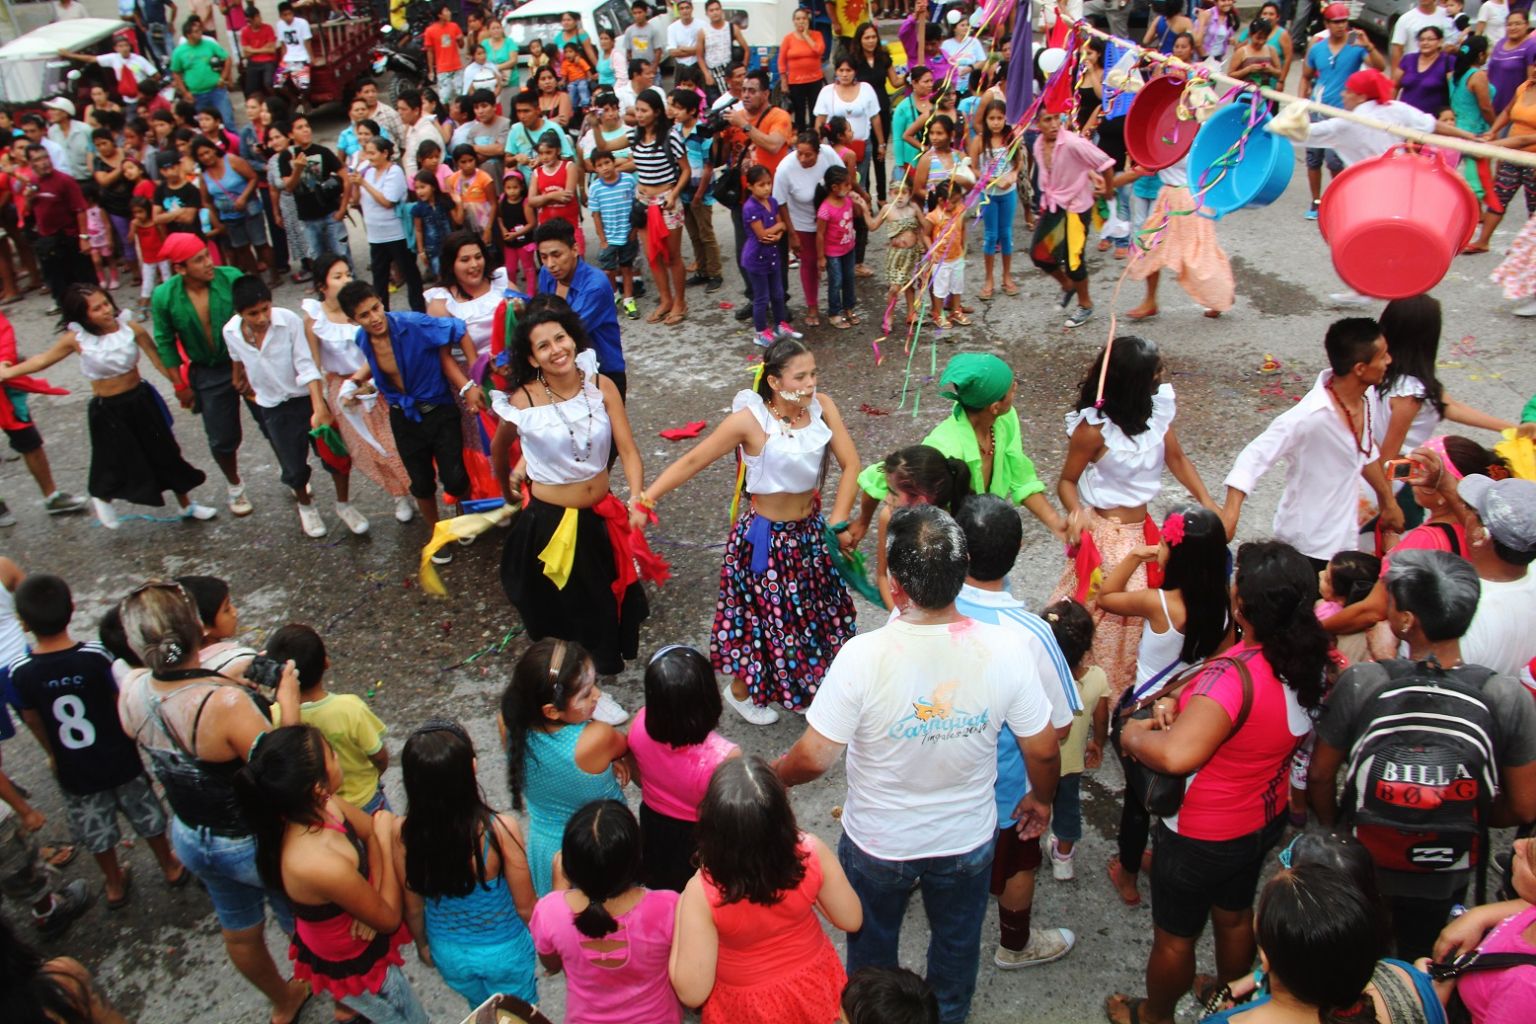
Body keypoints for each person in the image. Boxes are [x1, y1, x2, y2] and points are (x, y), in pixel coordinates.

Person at [775, 504, 1061, 1024]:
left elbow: (815, 757)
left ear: (897, 586)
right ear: (962, 567)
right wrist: (1042, 798)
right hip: (966, 840)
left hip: (879, 842)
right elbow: (1042, 749)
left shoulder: (863, 657)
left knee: (872, 946)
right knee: (955, 947)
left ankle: (869, 1015)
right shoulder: (1008, 649)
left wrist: (776, 778)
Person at [1105, 541, 1329, 1024]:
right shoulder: (1305, 657)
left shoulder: (1234, 676)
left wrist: (1133, 735)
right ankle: (1233, 996)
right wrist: (1184, 702)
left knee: (1174, 936)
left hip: (1202, 831)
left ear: (1244, 606)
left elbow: (1176, 753)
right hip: (1261, 819)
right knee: (1232, 916)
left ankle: (1155, 1015)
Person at [1308, 548, 1536, 961]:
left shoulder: (1366, 681)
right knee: (1425, 949)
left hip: (1365, 856)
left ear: (1406, 620)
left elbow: (1321, 776)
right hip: (1446, 867)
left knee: (1358, 946)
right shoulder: (1503, 696)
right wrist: (1467, 815)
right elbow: (1523, 805)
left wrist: (1334, 826)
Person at [116, 580, 312, 1024]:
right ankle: (331, 985)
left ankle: (283, 1001)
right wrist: (288, 702)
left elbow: (166, 700)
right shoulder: (224, 702)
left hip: (189, 834)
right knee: (299, 918)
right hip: (250, 842)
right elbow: (284, 768)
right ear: (197, 629)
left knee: (240, 933)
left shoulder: (131, 689)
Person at [637, 338, 858, 724]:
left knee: (811, 613)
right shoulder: (750, 421)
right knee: (768, 620)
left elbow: (851, 464)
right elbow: (693, 459)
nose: (810, 384)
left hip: (809, 534)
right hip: (766, 542)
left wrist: (837, 523)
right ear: (774, 381)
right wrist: (646, 500)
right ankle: (742, 692)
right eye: (800, 376)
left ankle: (802, 682)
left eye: (814, 374)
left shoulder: (824, 409)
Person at [488, 298, 660, 694]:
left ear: (573, 339)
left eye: (560, 338)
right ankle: (580, 691)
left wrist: (637, 497)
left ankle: (588, 684)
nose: (556, 350)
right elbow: (499, 450)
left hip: (599, 516)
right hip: (550, 523)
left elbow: (629, 450)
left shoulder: (601, 386)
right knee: (570, 611)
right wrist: (506, 490)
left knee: (603, 603)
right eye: (543, 346)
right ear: (531, 358)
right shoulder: (523, 402)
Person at [948, 494, 1081, 968]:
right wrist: (1043, 799)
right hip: (1006, 793)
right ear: (1020, 547)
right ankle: (1015, 945)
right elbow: (1058, 730)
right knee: (1018, 864)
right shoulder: (1032, 632)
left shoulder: (921, 610)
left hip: (942, 784)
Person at [10, 574, 187, 911]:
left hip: (75, 770)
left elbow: (32, 719)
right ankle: (170, 865)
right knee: (146, 813)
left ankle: (114, 883)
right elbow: (119, 696)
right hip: (119, 757)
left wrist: (52, 753)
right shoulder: (95, 656)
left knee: (95, 830)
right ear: (72, 609)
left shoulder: (22, 671)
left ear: (23, 622)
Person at [1052, 337, 1216, 693]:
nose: (1162, 375)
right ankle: (1096, 692)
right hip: (1105, 535)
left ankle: (1125, 688)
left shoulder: (1156, 411)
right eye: (1155, 371)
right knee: (1110, 610)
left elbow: (1177, 459)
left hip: (1144, 530)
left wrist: (1206, 498)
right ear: (1133, 382)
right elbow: (1066, 481)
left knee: (1142, 610)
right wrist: (1076, 512)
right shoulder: (1092, 429)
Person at [233, 725, 426, 1024]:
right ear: (317, 787)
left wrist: (369, 893)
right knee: (400, 1012)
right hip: (351, 961)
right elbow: (387, 919)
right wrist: (385, 837)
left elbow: (370, 834)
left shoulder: (324, 805)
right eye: (332, 755)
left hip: (354, 921)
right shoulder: (317, 863)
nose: (338, 757)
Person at [0, 285, 212, 528]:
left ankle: (187, 505)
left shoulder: (131, 328)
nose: (106, 311)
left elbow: (158, 360)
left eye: (106, 303)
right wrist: (7, 372)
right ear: (82, 315)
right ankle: (102, 497)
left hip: (141, 400)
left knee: (166, 451)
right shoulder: (76, 339)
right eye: (97, 308)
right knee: (111, 458)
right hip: (108, 408)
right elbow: (42, 361)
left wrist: (180, 387)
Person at [671, 756, 862, 1023]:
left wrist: (682, 906)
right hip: (812, 984)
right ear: (782, 815)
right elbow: (851, 918)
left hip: (745, 1004)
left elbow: (691, 992)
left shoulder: (702, 891)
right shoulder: (810, 851)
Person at [1223, 317, 1405, 568]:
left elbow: (1363, 451)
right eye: (1383, 356)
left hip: (1343, 543)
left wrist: (1388, 502)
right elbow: (1255, 455)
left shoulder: (1366, 398)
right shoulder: (1309, 417)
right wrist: (1231, 514)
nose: (1389, 361)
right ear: (1360, 368)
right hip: (1306, 548)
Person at [393, 718, 537, 1008]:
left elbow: (413, 905)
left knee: (480, 1008)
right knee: (518, 1013)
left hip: (449, 952)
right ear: (472, 768)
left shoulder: (403, 833)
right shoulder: (498, 829)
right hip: (504, 950)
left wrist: (422, 944)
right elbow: (526, 906)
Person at [338, 279, 480, 538]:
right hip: (402, 416)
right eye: (364, 315)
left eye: (375, 308)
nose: (374, 318)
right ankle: (437, 533)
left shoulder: (415, 324)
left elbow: (458, 328)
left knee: (455, 477)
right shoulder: (362, 338)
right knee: (422, 483)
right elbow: (376, 360)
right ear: (352, 321)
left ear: (381, 302)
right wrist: (356, 382)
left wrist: (473, 378)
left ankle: (464, 520)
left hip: (439, 411)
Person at [530, 799, 680, 1024]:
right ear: (636, 858)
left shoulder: (549, 911)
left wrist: (557, 891)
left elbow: (551, 964)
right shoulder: (668, 907)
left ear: (568, 864)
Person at [500, 639, 627, 894]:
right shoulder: (596, 739)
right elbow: (624, 745)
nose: (598, 695)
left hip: (547, 849)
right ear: (551, 711)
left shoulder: (507, 722)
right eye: (586, 693)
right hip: (599, 846)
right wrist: (615, 759)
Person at [151, 233, 263, 515]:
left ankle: (294, 475)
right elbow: (164, 341)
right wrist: (179, 384)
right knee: (222, 438)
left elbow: (254, 322)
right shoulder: (164, 296)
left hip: (247, 364)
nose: (208, 262)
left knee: (272, 421)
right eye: (199, 260)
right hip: (207, 371)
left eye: (207, 254)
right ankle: (234, 486)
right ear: (180, 268)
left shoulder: (231, 277)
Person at [300, 255, 416, 524]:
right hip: (343, 389)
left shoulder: (362, 310)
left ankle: (413, 489)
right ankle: (399, 495)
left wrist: (372, 381)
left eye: (347, 274)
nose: (345, 281)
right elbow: (312, 365)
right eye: (337, 276)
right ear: (322, 286)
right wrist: (320, 405)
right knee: (370, 447)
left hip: (376, 380)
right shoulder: (315, 318)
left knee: (393, 440)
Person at [224, 275, 341, 538]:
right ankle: (306, 506)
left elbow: (305, 362)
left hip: (303, 399)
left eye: (265, 308)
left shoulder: (287, 321)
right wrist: (237, 376)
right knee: (293, 465)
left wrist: (318, 405)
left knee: (332, 454)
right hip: (271, 406)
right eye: (253, 313)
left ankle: (344, 503)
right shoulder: (230, 332)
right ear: (240, 313)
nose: (262, 317)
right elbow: (236, 357)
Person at [628, 645, 740, 891]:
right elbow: (729, 813)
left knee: (664, 884)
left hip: (655, 824)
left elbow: (638, 775)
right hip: (701, 835)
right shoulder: (724, 756)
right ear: (709, 697)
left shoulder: (638, 724)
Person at [266, 623, 389, 814]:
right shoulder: (350, 708)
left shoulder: (275, 716)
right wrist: (376, 776)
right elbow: (379, 756)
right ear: (326, 663)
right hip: (366, 800)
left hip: (323, 808)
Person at [1040, 599, 1109, 886]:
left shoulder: (1034, 678)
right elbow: (1101, 718)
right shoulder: (1097, 679)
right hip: (1070, 764)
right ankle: (1064, 860)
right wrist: (1098, 744)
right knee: (1068, 809)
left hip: (1034, 762)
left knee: (1031, 804)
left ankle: (1024, 850)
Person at [1430, 835, 1536, 1021]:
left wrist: (1430, 1004)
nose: (1518, 844)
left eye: (1531, 855)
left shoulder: (1525, 988)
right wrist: (1478, 916)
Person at [1300, 6, 1386, 219]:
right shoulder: (1318, 48)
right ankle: (1316, 201)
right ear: (1327, 24)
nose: (1341, 26)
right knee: (1313, 158)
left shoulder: (1356, 45)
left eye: (1344, 21)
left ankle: (1339, 200)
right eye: (1336, 22)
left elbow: (1379, 67)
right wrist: (1301, 103)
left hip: (1343, 113)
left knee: (1336, 160)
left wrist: (1370, 46)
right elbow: (1306, 75)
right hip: (1317, 109)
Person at [724, 69, 793, 320]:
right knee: (746, 252)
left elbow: (774, 144)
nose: (746, 95)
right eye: (743, 90)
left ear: (765, 93)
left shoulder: (779, 116)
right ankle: (756, 299)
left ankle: (780, 301)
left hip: (771, 199)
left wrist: (743, 125)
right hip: (742, 198)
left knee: (776, 251)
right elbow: (724, 155)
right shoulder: (734, 116)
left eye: (752, 90)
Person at [773, 132, 842, 327]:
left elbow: (844, 175)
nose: (802, 159)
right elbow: (780, 202)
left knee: (836, 262)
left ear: (818, 152)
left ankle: (840, 305)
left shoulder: (828, 154)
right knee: (809, 263)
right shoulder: (785, 169)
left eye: (808, 155)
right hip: (802, 221)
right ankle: (812, 306)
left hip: (831, 219)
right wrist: (792, 234)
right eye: (799, 153)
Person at [350, 138, 425, 314]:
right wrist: (355, 183)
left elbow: (387, 201)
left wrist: (364, 184)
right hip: (375, 235)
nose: (369, 157)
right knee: (379, 277)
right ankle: (383, 313)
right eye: (367, 153)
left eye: (372, 153)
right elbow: (355, 200)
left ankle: (419, 311)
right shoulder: (367, 173)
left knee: (410, 273)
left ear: (385, 153)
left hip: (396, 234)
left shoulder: (394, 172)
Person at [24, 145, 97, 310]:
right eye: (37, 159)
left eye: (45, 157)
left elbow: (80, 210)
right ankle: (67, 311)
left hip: (69, 237)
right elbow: (28, 211)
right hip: (48, 240)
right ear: (30, 164)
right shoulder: (33, 183)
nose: (43, 163)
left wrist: (84, 238)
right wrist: (28, 199)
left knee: (84, 281)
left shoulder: (65, 180)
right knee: (58, 281)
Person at [192, 138, 272, 277]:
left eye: (207, 152)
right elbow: (206, 201)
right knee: (241, 248)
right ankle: (254, 277)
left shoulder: (232, 161)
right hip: (228, 216)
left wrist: (243, 197)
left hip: (249, 209)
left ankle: (274, 275)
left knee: (260, 244)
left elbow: (253, 178)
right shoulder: (204, 176)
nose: (206, 157)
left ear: (214, 150)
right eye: (201, 155)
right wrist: (216, 222)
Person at [669, 89, 723, 293]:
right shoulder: (675, 131)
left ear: (692, 111)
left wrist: (699, 195)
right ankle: (702, 270)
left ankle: (715, 273)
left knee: (706, 234)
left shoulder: (703, 132)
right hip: (684, 192)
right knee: (694, 234)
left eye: (679, 108)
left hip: (702, 193)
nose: (675, 112)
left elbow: (709, 166)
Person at [278, 114, 350, 262]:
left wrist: (342, 208)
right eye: (300, 128)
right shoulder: (286, 156)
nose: (306, 130)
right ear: (291, 134)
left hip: (331, 213)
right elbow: (289, 187)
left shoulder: (323, 152)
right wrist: (297, 169)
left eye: (307, 126)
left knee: (342, 255)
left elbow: (346, 178)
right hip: (308, 218)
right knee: (318, 260)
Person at [739, 164, 795, 345]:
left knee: (778, 293)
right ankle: (760, 332)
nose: (766, 188)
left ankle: (781, 325)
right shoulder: (750, 208)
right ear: (750, 186)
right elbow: (762, 235)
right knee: (761, 297)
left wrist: (778, 233)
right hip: (756, 258)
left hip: (772, 254)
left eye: (768, 183)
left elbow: (781, 226)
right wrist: (778, 229)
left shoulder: (772, 202)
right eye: (761, 184)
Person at [587, 149, 639, 319]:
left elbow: (637, 206)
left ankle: (629, 300)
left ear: (614, 162)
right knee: (608, 271)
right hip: (609, 237)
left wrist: (634, 230)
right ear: (595, 169)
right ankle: (615, 294)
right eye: (600, 165)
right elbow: (596, 215)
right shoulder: (595, 188)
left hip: (628, 234)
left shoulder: (628, 180)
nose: (605, 168)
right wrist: (602, 239)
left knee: (627, 267)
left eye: (607, 162)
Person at [817, 165, 867, 329]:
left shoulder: (847, 201)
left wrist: (859, 202)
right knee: (836, 281)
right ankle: (834, 312)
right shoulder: (825, 210)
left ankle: (849, 308)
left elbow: (858, 215)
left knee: (849, 278)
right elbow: (820, 234)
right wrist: (821, 257)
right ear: (834, 187)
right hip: (833, 253)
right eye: (846, 185)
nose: (850, 187)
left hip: (848, 248)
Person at [171, 16, 236, 129]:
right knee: (205, 126)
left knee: (227, 121)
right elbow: (176, 73)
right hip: (197, 95)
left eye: (200, 30)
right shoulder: (179, 52)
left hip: (217, 91)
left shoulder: (209, 44)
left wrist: (223, 78)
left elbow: (227, 59)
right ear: (188, 35)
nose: (200, 33)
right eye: (196, 31)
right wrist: (185, 92)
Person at [780, 8, 827, 132]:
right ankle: (801, 138)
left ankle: (815, 136)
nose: (801, 21)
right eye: (798, 19)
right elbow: (782, 61)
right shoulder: (788, 39)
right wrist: (784, 81)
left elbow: (819, 51)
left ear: (808, 20)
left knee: (815, 111)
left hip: (815, 79)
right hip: (796, 82)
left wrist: (806, 36)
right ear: (793, 21)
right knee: (799, 112)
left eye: (804, 18)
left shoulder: (817, 35)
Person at [1396, 26, 1455, 114]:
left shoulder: (1448, 61)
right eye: (1421, 40)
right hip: (1404, 116)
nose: (1425, 43)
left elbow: (1454, 93)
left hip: (1432, 119)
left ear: (1440, 42)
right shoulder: (1408, 59)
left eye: (1430, 39)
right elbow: (1393, 86)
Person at [1391, 0, 1457, 67]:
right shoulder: (1405, 19)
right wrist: (1395, 74)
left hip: (1439, 71)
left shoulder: (1448, 15)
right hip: (1412, 70)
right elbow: (1397, 49)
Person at [424, 4, 465, 105]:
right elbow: (430, 52)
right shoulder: (430, 31)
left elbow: (461, 46)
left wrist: (460, 39)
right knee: (444, 98)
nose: (449, 13)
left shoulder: (454, 26)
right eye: (446, 11)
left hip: (457, 67)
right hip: (442, 69)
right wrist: (431, 70)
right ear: (440, 15)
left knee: (461, 96)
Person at [273, 2, 313, 96]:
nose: (288, 17)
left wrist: (310, 58)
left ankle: (304, 104)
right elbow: (283, 44)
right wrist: (282, 60)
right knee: (277, 84)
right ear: (280, 16)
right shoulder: (279, 25)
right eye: (285, 15)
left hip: (301, 57)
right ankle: (293, 100)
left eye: (289, 14)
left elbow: (307, 42)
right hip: (287, 59)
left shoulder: (302, 23)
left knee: (303, 86)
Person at [623, 1, 667, 68]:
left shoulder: (653, 30)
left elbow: (658, 51)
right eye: (635, 13)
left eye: (640, 12)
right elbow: (628, 52)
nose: (637, 16)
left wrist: (654, 67)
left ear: (646, 12)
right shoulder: (629, 31)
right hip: (638, 71)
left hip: (651, 69)